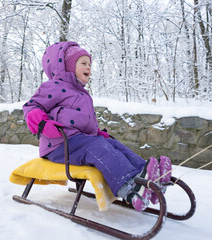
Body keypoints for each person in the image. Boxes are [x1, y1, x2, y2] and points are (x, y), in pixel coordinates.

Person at [22, 41, 172, 211]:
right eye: (83, 63)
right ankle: (129, 189)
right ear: (67, 67)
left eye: (90, 64)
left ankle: (146, 179)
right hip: (59, 145)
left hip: (78, 143)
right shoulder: (54, 86)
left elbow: (84, 124)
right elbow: (32, 107)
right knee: (97, 147)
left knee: (113, 145)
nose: (89, 68)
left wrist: (98, 133)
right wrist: (43, 124)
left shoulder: (82, 94)